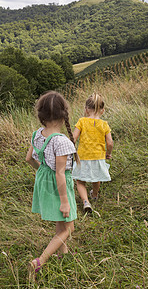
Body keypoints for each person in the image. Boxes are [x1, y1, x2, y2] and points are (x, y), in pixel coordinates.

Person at [26, 91, 79, 279]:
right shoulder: (61, 141)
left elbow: (28, 159)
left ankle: (62, 255)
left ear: (41, 115)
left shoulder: (37, 134)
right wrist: (64, 201)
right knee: (68, 228)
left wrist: (42, 172)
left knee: (60, 224)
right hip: (60, 186)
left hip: (45, 181)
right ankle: (40, 261)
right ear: (64, 114)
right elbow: (60, 173)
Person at [72, 92, 113, 213]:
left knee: (80, 181)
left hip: (83, 156)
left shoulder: (81, 121)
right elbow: (110, 143)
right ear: (103, 110)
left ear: (86, 109)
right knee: (97, 177)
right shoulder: (104, 124)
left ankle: (85, 201)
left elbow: (73, 138)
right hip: (98, 156)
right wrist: (108, 153)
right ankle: (94, 195)